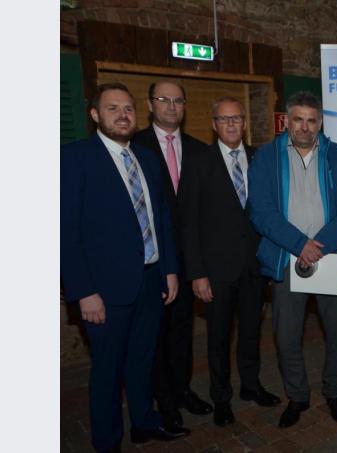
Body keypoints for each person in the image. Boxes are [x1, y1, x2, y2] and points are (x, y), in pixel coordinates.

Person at [61, 82, 188, 451]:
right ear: (95, 114)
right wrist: (83, 291)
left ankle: (144, 424)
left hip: (150, 282)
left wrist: (169, 269)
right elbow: (65, 231)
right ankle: (107, 441)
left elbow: (161, 217)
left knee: (142, 360)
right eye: (113, 108)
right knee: (107, 369)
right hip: (104, 290)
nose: (122, 115)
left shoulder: (146, 158)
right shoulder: (74, 158)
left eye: (128, 108)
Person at [247, 91, 337, 428]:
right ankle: (297, 396)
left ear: (320, 122)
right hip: (286, 257)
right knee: (286, 336)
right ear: (286, 120)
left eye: (312, 121)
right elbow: (261, 211)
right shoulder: (267, 157)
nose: (305, 127)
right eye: (298, 119)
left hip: (331, 256)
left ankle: (334, 393)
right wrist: (300, 244)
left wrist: (319, 245)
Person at [178, 96, 281, 427]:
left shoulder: (260, 158)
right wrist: (197, 274)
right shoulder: (198, 162)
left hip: (254, 267)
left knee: (251, 331)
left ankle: (251, 386)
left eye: (236, 118)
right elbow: (188, 223)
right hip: (216, 270)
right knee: (219, 338)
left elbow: (271, 211)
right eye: (224, 119)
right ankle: (221, 397)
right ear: (214, 125)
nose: (231, 124)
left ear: (244, 122)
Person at [132, 80, 212, 429]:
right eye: (163, 99)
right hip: (149, 262)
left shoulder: (198, 149)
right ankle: (163, 400)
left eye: (178, 100)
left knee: (182, 330)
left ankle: (182, 390)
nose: (171, 106)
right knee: (155, 334)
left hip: (187, 260)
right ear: (150, 104)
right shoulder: (134, 146)